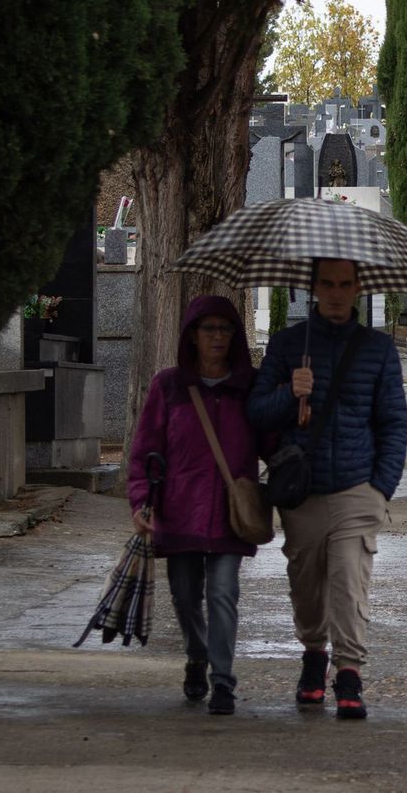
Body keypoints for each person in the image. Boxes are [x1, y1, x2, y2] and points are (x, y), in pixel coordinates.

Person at [248, 258, 407, 720]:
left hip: (358, 488)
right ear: (313, 286)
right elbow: (256, 413)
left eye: (344, 284)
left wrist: (381, 488)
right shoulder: (287, 345)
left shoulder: (378, 350)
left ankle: (350, 672)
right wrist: (288, 393)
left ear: (358, 287)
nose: (336, 293)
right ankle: (313, 655)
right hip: (302, 491)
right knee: (306, 583)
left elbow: (394, 421)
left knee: (348, 580)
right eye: (327, 284)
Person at [128, 295, 262, 717]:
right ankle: (197, 654)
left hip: (229, 514)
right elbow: (145, 450)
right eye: (209, 329)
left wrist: (298, 405)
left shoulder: (250, 387)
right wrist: (140, 501)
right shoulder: (168, 386)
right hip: (179, 508)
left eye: (225, 329)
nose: (218, 336)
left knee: (223, 593)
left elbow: (273, 440)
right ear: (192, 335)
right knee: (185, 597)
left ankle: (222, 680)